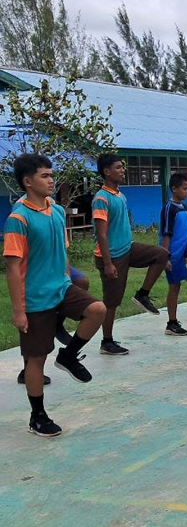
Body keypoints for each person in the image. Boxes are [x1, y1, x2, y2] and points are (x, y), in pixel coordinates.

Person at [5, 154, 105, 436]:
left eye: (51, 175)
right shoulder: (19, 218)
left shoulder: (57, 211)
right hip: (35, 297)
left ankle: (69, 356)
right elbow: (12, 268)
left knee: (97, 309)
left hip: (60, 288)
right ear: (27, 181)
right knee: (36, 359)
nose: (51, 180)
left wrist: (65, 278)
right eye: (45, 176)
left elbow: (62, 250)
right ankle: (38, 416)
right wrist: (18, 310)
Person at [92, 153, 169, 355]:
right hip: (112, 255)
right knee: (112, 302)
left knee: (161, 254)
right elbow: (101, 233)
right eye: (118, 167)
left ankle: (142, 295)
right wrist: (108, 263)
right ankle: (106, 342)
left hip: (128, 248)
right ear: (106, 171)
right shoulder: (102, 198)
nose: (122, 170)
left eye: (122, 167)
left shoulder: (120, 196)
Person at [159, 173, 187, 337]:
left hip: (184, 252)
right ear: (174, 189)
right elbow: (166, 234)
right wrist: (165, 257)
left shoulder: (186, 208)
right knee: (174, 287)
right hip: (172, 255)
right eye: (184, 188)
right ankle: (171, 322)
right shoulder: (169, 209)